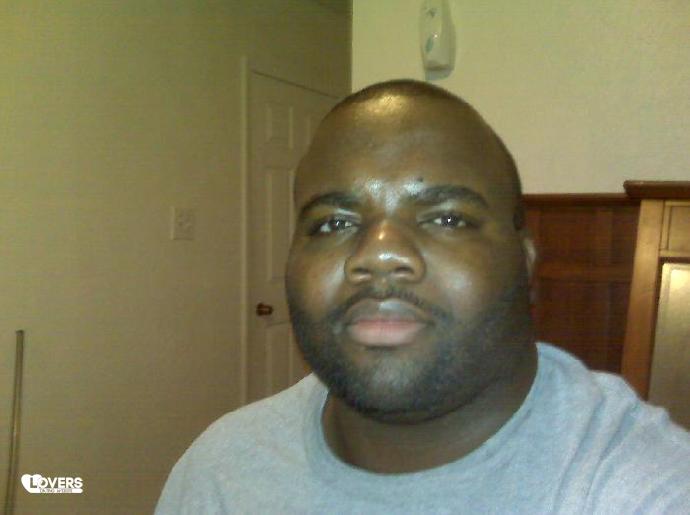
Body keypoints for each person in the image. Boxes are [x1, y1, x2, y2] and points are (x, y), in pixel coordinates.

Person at [156, 80, 690, 514]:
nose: (379, 254)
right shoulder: (223, 471)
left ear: (526, 265)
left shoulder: (642, 487)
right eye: (333, 223)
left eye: (447, 218)